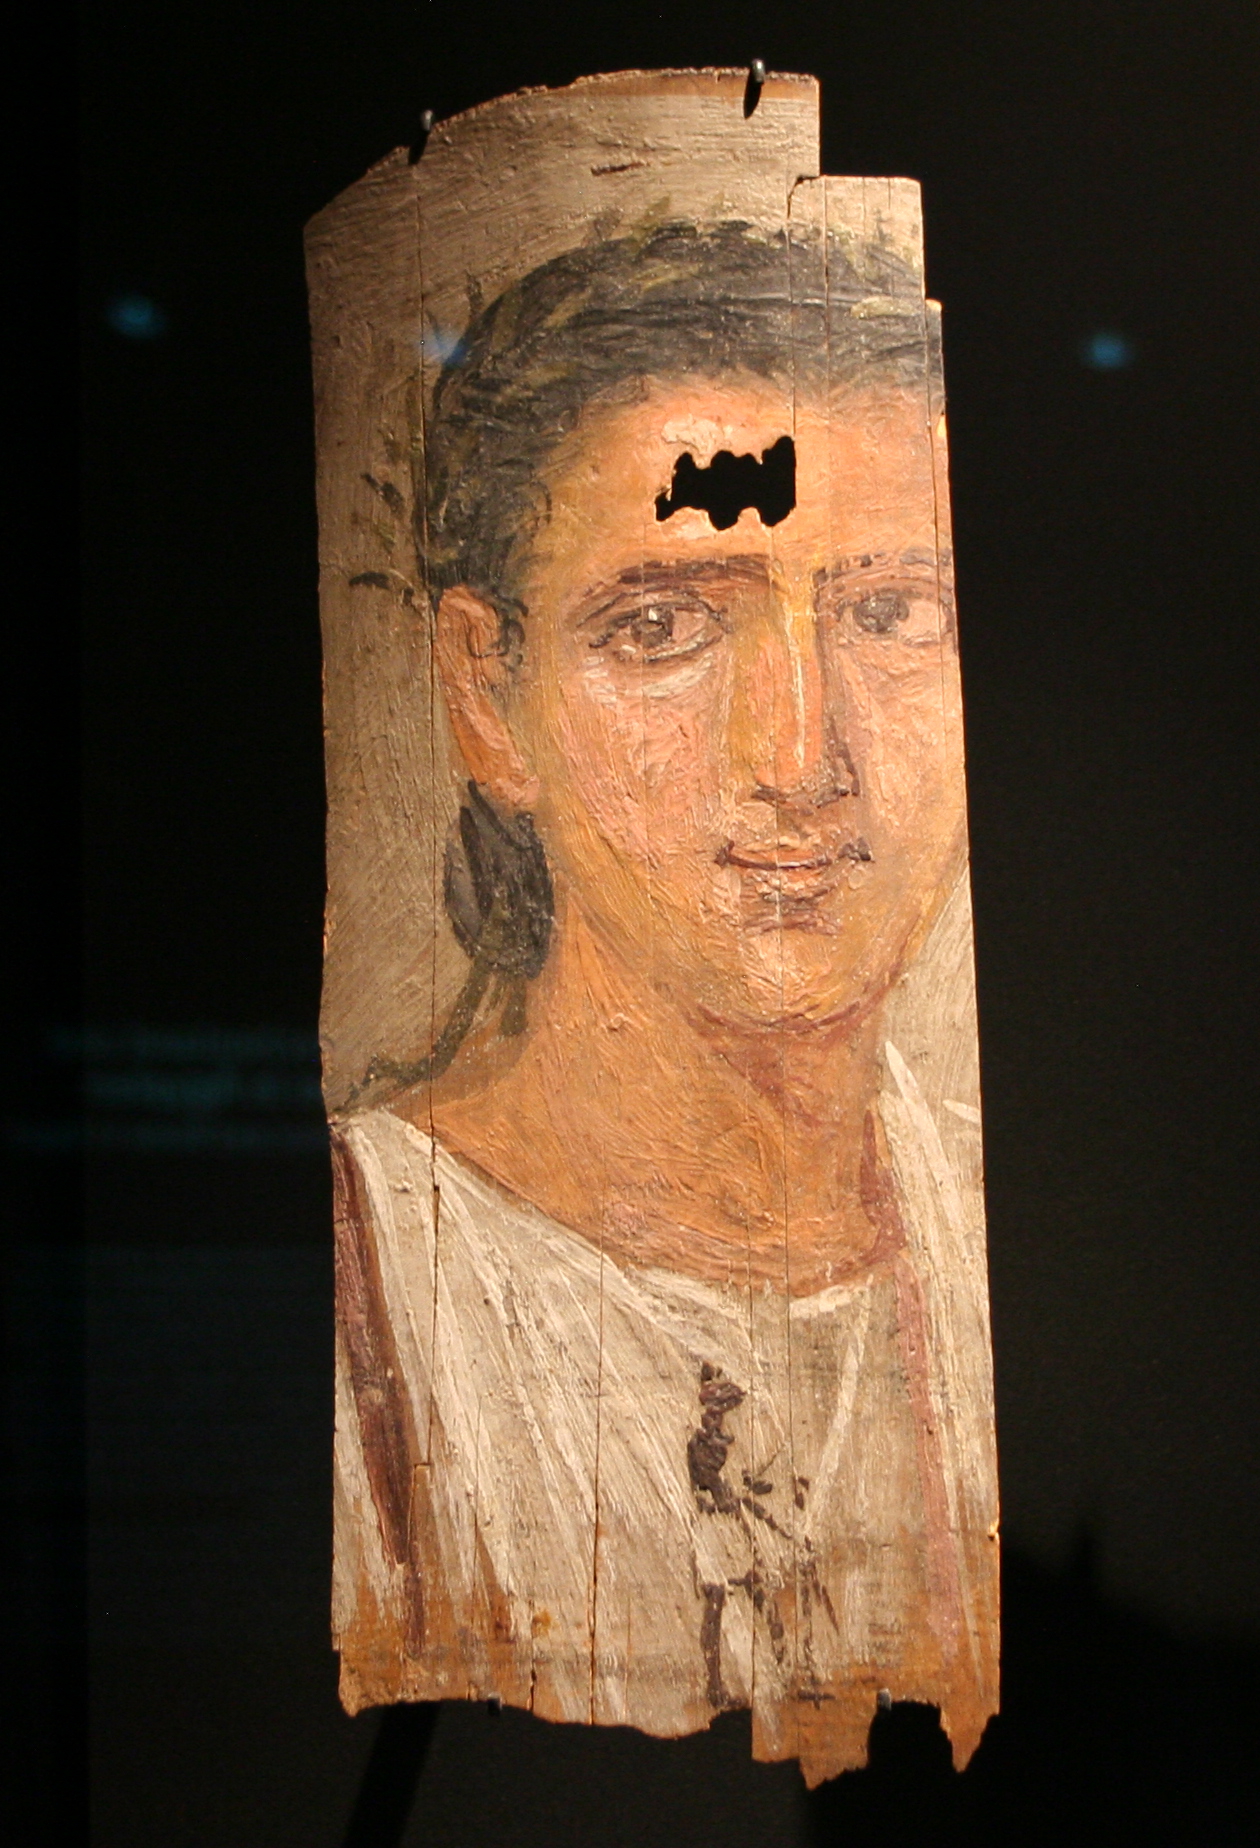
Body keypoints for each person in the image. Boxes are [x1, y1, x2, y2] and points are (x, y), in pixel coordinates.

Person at [330, 221, 998, 1779]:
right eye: (663, 627)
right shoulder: (370, 1290)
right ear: (486, 693)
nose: (800, 757)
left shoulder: (994, 1230)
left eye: (893, 613)